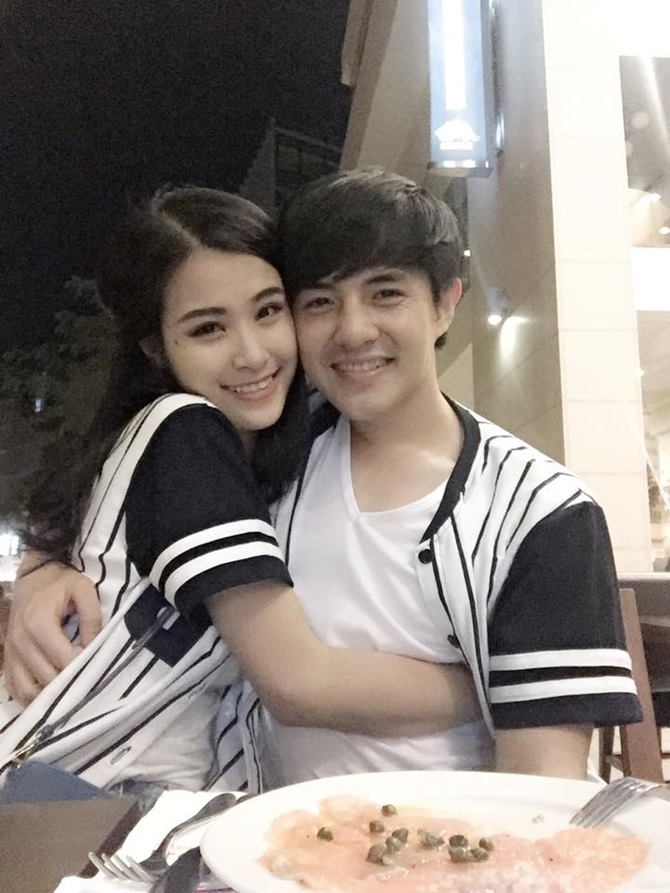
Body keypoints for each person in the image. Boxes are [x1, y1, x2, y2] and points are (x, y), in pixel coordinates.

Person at [5, 170, 641, 783]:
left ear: (446, 304)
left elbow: (542, 787)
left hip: (447, 837)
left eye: (386, 293)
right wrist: (45, 568)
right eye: (319, 303)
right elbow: (292, 679)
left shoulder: (542, 514)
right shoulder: (263, 444)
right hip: (218, 825)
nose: (354, 330)